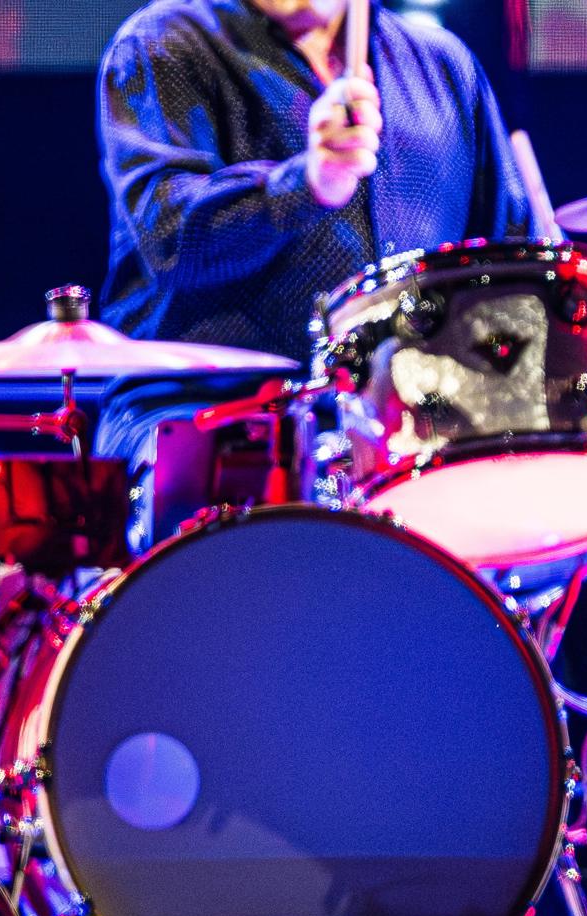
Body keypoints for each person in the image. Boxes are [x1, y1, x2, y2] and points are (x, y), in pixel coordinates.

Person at [93, 0, 528, 548]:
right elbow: (171, 238)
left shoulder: (444, 67)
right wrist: (310, 183)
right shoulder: (165, 43)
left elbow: (514, 264)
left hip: (409, 443)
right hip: (205, 423)